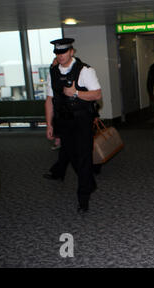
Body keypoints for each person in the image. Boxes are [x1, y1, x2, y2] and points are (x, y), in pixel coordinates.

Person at [44, 38, 102, 214]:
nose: (60, 56)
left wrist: (76, 93)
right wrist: (49, 124)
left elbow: (97, 95)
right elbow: (49, 100)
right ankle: (90, 183)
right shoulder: (53, 72)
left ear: (71, 51)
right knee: (71, 156)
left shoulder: (85, 70)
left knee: (84, 158)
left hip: (81, 121)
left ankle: (83, 199)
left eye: (63, 52)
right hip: (63, 122)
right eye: (57, 53)